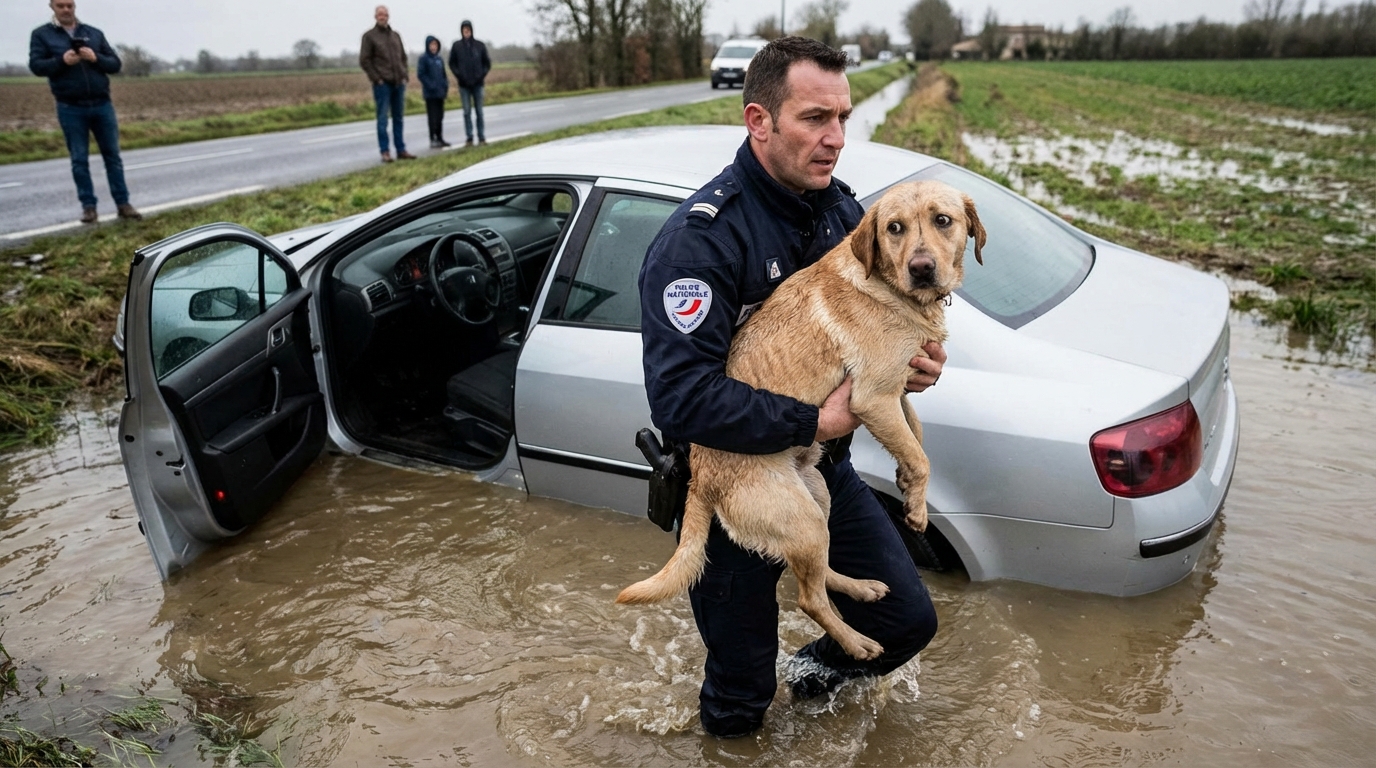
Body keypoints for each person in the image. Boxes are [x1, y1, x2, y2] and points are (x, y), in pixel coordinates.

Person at [637, 36, 943, 739]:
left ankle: (805, 690)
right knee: (741, 690)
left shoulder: (843, 213)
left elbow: (884, 336)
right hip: (738, 478)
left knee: (905, 621)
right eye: (814, 118)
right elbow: (682, 400)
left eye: (843, 116)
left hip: (819, 466)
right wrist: (815, 421)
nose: (835, 138)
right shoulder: (700, 243)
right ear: (759, 120)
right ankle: (740, 739)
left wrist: (914, 372)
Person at [28, 0, 140, 224]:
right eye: (61, 6)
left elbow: (115, 64)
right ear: (52, 7)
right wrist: (62, 61)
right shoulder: (42, 35)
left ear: (75, 6)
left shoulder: (93, 33)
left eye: (70, 5)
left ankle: (123, 204)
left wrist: (95, 58)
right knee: (79, 160)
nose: (66, 9)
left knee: (113, 157)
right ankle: (89, 208)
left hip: (101, 104)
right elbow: (37, 66)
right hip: (70, 106)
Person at [360, 5, 415, 162]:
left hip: (398, 82)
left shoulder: (395, 35)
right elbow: (365, 60)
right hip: (382, 84)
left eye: (385, 14)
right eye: (380, 14)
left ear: (388, 16)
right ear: (375, 16)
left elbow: (403, 57)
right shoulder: (369, 36)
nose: (382, 17)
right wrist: (377, 78)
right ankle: (385, 151)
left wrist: (405, 75)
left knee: (398, 118)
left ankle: (401, 149)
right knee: (382, 119)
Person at [447, 20, 490, 147]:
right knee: (466, 112)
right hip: (464, 85)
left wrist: (480, 75)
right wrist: (459, 76)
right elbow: (452, 63)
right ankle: (469, 137)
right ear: (461, 31)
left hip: (478, 84)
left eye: (468, 29)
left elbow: (487, 64)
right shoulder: (457, 46)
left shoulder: (479, 45)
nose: (466, 31)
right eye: (464, 29)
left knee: (479, 112)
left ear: (471, 30)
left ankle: (481, 137)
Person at [418, 35, 450, 148]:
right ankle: (433, 138)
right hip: (430, 94)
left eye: (435, 45)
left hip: (440, 93)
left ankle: (440, 137)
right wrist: (431, 85)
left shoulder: (439, 59)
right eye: (432, 45)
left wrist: (445, 85)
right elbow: (421, 74)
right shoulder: (424, 59)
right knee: (433, 117)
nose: (433, 47)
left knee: (440, 116)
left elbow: (443, 74)